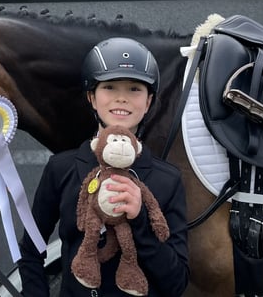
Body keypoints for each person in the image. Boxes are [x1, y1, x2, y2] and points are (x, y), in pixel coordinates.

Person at [18, 37, 190, 296]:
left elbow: (176, 282)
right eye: (109, 87)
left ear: (149, 102)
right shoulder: (60, 168)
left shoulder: (168, 179)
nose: (121, 98)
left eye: (134, 89)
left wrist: (141, 221)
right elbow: (31, 250)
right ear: (92, 97)